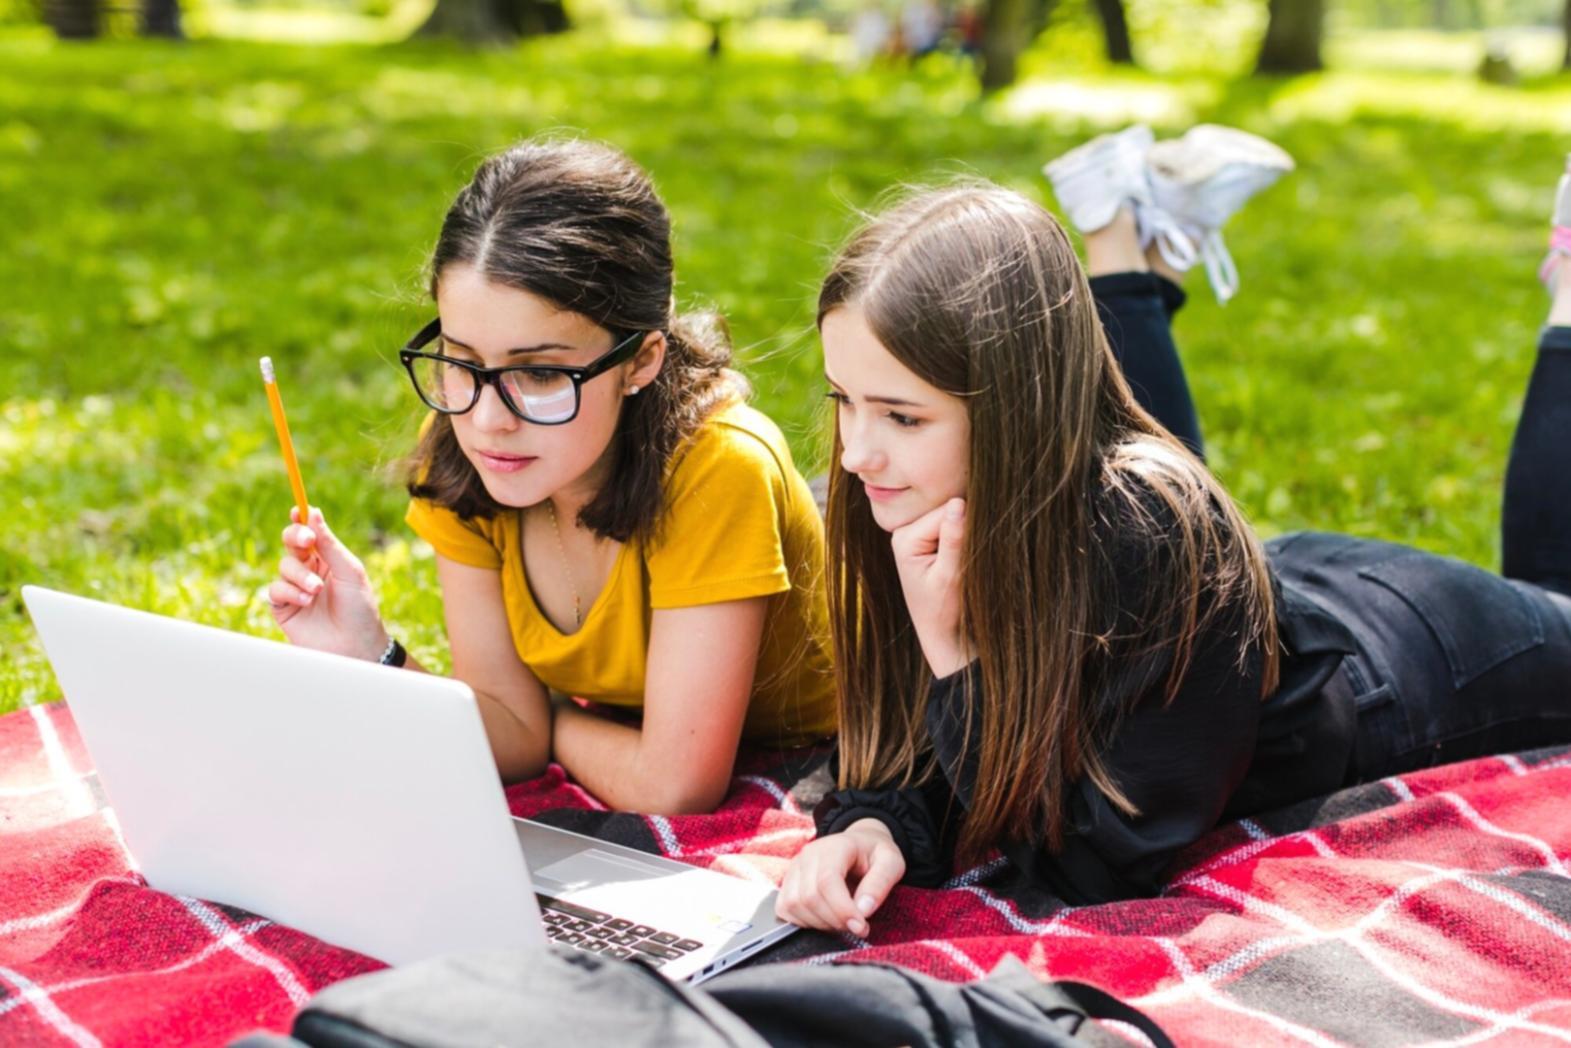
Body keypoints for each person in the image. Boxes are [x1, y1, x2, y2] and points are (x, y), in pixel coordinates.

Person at [776, 126, 1571, 937]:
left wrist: (955, 657)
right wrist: (871, 824)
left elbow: (1096, 861)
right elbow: (905, 744)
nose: (855, 449)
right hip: (1259, 601)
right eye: (843, 398)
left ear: (1018, 407)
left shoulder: (1151, 537)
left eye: (902, 415)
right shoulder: (900, 486)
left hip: (1412, 661)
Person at [267, 138, 836, 813]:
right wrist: (373, 651)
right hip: (627, 734)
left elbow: (674, 786)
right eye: (460, 360)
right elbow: (509, 731)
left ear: (642, 360)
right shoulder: (465, 452)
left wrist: (555, 721)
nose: (486, 420)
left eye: (537, 373)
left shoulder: (718, 469)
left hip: (824, 739)